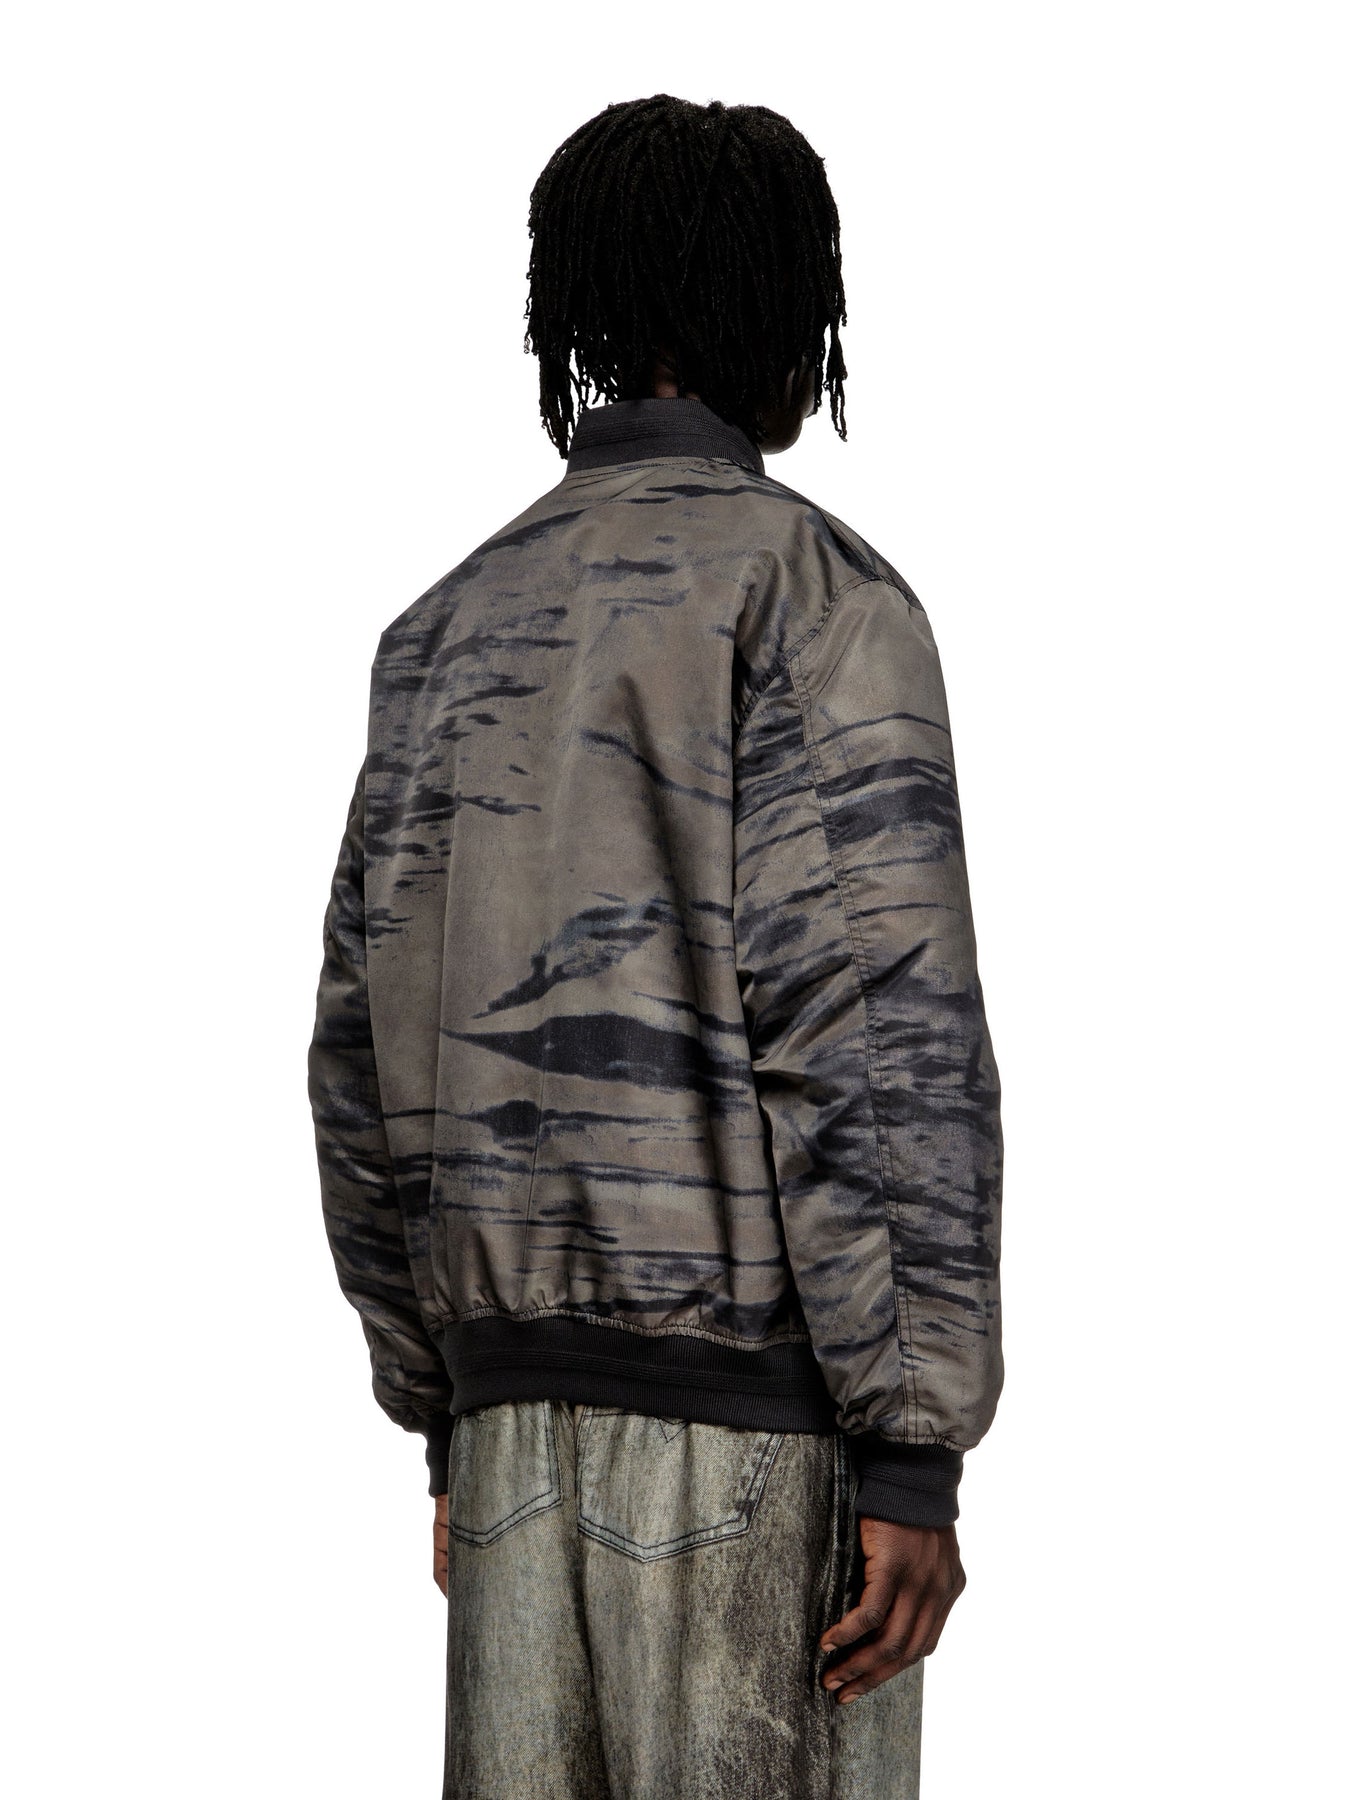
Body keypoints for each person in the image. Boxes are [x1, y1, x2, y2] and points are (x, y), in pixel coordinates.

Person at [308, 91, 1003, 1800]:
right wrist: (912, 1447)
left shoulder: (442, 628)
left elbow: (358, 1051)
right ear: (786, 315)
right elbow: (874, 1034)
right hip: (755, 1433)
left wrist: (446, 1407)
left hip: (507, 1440)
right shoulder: (811, 596)